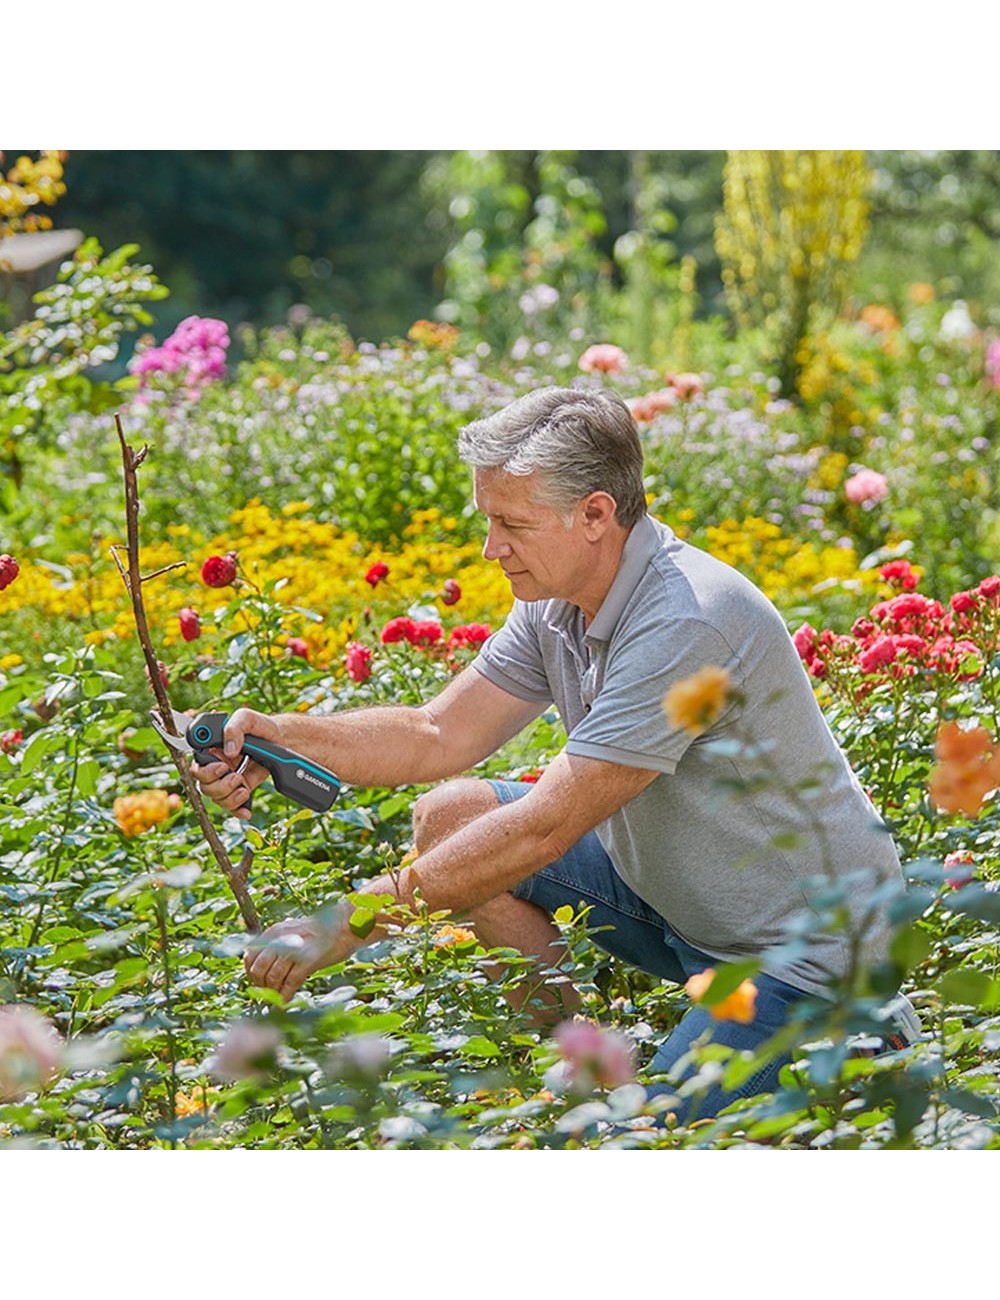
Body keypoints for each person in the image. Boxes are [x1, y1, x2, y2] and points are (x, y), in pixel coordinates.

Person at [193, 385, 914, 1120]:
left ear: (596, 514)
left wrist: (344, 922)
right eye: (488, 519)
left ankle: (859, 1043)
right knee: (450, 818)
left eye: (512, 523)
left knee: (656, 1144)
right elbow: (439, 732)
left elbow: (546, 826)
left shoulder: (687, 622)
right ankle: (586, 1082)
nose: (489, 547)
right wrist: (280, 733)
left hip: (810, 954)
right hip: (682, 909)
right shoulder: (557, 600)